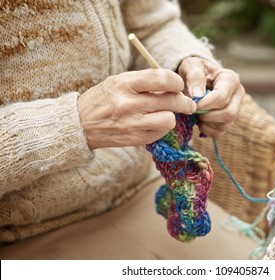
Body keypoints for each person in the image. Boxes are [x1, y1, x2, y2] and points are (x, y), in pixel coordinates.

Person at [0, 0, 254, 259]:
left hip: (141, 184)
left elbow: (153, 25)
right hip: (21, 234)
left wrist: (187, 62)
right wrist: (74, 124)